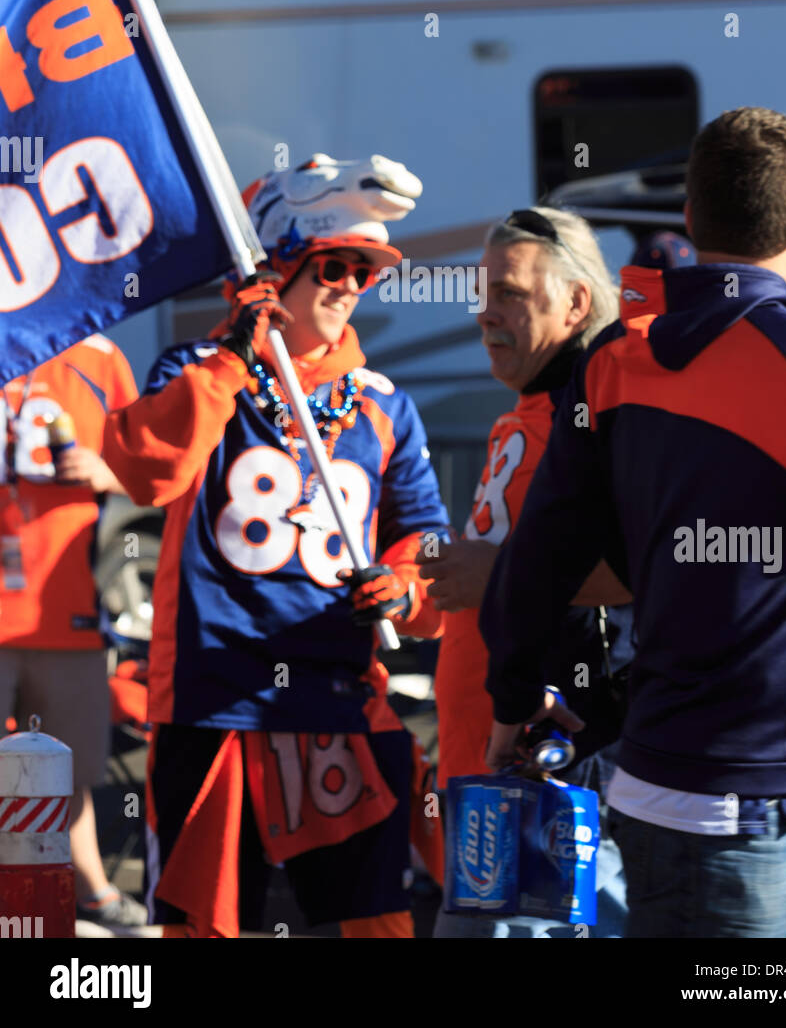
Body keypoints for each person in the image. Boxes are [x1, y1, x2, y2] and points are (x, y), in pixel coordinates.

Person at [481, 107, 786, 938]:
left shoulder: (616, 365)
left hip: (683, 797)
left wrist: (511, 697)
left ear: (688, 219)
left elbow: (536, 562)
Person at [102, 153, 450, 939]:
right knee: (205, 925)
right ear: (277, 268)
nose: (351, 287)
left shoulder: (384, 404)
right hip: (213, 702)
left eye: (368, 272)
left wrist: (403, 589)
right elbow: (145, 471)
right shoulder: (198, 370)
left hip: (339, 702)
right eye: (334, 265)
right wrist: (233, 351)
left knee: (375, 922)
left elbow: (425, 540)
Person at [421, 206, 632, 938]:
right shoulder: (527, 409)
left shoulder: (599, 414)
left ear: (575, 302)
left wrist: (498, 573)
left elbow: (639, 569)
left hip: (552, 778)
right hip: (487, 774)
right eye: (485, 293)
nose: (486, 315)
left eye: (509, 292)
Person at [0, 335, 146, 931]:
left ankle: (90, 886)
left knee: (72, 771)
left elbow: (155, 469)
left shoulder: (99, 353)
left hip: (67, 609)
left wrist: (107, 470)